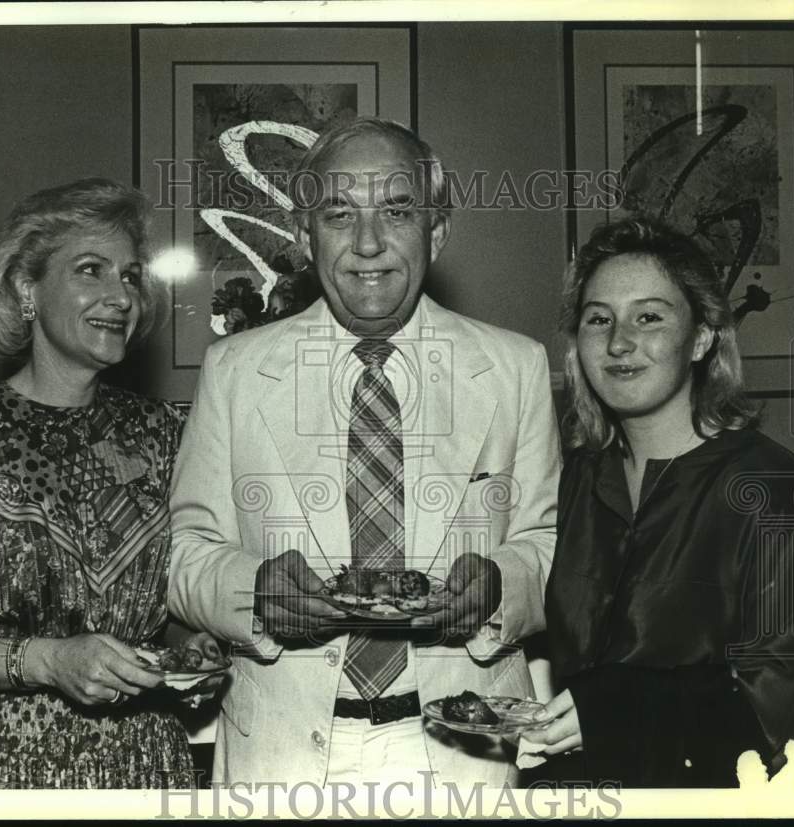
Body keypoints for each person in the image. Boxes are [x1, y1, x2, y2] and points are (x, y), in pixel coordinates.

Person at [169, 118, 561, 787]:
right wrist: (255, 593)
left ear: (436, 231)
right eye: (339, 214)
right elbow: (185, 552)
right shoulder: (234, 370)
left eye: (398, 212)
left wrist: (498, 586)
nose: (370, 243)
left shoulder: (515, 367)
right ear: (302, 235)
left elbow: (551, 544)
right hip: (281, 756)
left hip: (461, 754)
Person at [0, 178, 222, 788]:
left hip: (147, 767)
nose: (120, 297)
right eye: (90, 271)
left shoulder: (165, 434)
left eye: (130, 276)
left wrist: (192, 642)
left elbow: (176, 591)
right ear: (27, 290)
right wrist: (46, 660)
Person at [521, 216, 794, 787]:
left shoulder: (772, 491)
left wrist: (618, 706)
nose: (619, 342)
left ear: (701, 338)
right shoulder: (574, 476)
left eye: (648, 317)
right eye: (598, 319)